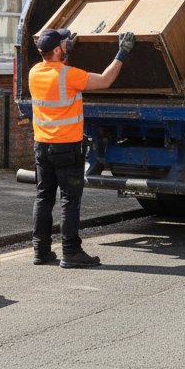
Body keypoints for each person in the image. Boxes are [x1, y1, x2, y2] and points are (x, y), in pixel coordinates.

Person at [29, 27, 135, 268]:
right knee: (69, 199)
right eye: (63, 43)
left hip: (42, 147)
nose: (67, 43)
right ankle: (71, 252)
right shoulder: (69, 75)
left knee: (44, 198)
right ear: (56, 50)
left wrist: (65, 51)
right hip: (67, 149)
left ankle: (41, 251)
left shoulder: (35, 72)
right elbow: (106, 80)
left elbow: (57, 70)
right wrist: (122, 52)